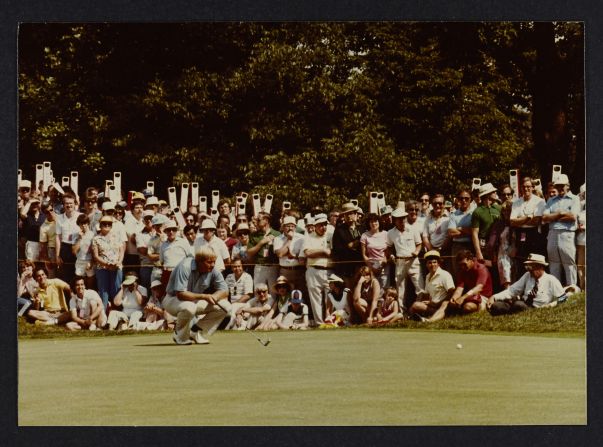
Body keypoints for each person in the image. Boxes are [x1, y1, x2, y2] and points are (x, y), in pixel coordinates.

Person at [163, 246, 230, 345]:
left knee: (226, 307)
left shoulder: (213, 269)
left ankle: (195, 331)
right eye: (209, 262)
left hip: (194, 302)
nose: (212, 265)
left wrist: (215, 297)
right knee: (190, 307)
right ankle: (179, 335)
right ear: (199, 261)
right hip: (172, 300)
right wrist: (204, 296)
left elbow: (224, 290)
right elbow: (180, 294)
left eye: (214, 262)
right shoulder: (185, 266)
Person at [488, 254, 568, 315]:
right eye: (528, 267)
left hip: (536, 309)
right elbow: (512, 290)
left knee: (518, 305)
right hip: (523, 304)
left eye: (531, 268)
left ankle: (514, 313)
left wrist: (549, 306)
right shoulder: (527, 276)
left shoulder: (551, 280)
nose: (529, 270)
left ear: (540, 267)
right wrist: (494, 297)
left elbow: (563, 298)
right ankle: (513, 312)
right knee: (496, 306)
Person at [429, 249, 492, 321]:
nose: (462, 267)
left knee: (468, 307)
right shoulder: (463, 271)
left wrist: (463, 298)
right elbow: (459, 289)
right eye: (460, 265)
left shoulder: (481, 268)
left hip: (483, 298)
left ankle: (456, 313)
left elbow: (479, 288)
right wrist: (454, 299)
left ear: (470, 260)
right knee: (445, 303)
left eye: (464, 264)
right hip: (469, 297)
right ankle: (429, 320)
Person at [542, 174, 581, 286]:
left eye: (562, 185)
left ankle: (571, 291)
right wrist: (560, 213)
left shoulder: (575, 199)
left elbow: (572, 217)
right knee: (554, 264)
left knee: (569, 264)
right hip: (552, 234)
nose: (560, 188)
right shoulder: (551, 199)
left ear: (567, 185)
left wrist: (553, 217)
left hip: (567, 234)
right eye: (558, 186)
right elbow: (544, 218)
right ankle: (557, 292)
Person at [385, 206, 423, 313]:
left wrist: (416, 252)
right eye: (399, 218)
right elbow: (388, 247)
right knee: (400, 290)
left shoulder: (413, 229)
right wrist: (391, 255)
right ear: (394, 220)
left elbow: (419, 244)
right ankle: (402, 313)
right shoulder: (390, 233)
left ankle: (418, 310)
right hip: (400, 262)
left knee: (420, 288)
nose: (402, 220)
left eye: (403, 218)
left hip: (413, 261)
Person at [510, 177, 547, 275]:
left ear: (533, 187)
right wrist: (528, 218)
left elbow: (536, 221)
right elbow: (512, 221)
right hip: (520, 234)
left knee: (534, 261)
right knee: (521, 262)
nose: (526, 189)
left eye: (528, 187)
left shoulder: (540, 201)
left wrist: (520, 220)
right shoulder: (516, 202)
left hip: (534, 234)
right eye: (524, 187)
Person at [302, 213, 332, 325]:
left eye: (325, 224)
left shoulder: (331, 235)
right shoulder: (309, 237)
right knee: (316, 299)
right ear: (315, 226)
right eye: (320, 225)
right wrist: (323, 251)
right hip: (313, 270)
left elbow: (333, 253)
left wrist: (316, 252)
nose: (323, 227)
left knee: (330, 298)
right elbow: (307, 252)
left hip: (329, 270)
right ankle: (319, 324)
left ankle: (330, 321)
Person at [409, 250, 455, 320]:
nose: (432, 265)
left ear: (438, 263)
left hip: (443, 306)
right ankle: (409, 319)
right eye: (429, 263)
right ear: (426, 265)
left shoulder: (445, 275)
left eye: (434, 262)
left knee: (444, 304)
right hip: (433, 306)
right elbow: (427, 294)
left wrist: (437, 303)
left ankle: (433, 318)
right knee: (416, 304)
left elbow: (451, 292)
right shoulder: (428, 276)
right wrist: (425, 301)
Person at [91, 215, 124, 309]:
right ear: (100, 225)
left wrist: (119, 262)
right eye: (104, 223)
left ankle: (117, 313)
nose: (106, 225)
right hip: (102, 268)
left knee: (116, 290)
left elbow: (121, 251)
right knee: (103, 291)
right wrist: (106, 264)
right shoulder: (96, 239)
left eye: (109, 223)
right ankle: (103, 313)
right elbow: (96, 256)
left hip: (116, 267)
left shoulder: (117, 237)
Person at [471, 183, 501, 276]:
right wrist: (478, 252)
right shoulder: (477, 211)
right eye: (493, 192)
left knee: (497, 269)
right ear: (487, 194)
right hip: (483, 245)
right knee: (485, 270)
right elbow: (474, 233)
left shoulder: (497, 208)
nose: (495, 193)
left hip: (497, 244)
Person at [247, 211, 281, 291]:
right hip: (260, 266)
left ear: (266, 220)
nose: (255, 222)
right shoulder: (254, 235)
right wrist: (261, 243)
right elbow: (249, 252)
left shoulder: (277, 234)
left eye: (258, 220)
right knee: (258, 291)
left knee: (274, 292)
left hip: (273, 267)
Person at [332, 202, 363, 288]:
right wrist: (352, 244)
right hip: (346, 267)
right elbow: (337, 249)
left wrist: (353, 244)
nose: (348, 216)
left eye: (350, 213)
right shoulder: (339, 230)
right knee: (348, 291)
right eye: (346, 214)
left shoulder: (362, 228)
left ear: (356, 214)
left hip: (361, 265)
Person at [273, 215, 306, 293]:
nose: (290, 228)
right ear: (283, 227)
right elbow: (280, 254)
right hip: (285, 271)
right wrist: (289, 239)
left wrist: (293, 255)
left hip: (299, 270)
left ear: (295, 227)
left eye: (292, 226)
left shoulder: (301, 238)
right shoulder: (278, 239)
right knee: (285, 294)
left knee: (300, 294)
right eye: (288, 226)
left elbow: (303, 256)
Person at [55, 192, 81, 284]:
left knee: (78, 275)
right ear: (63, 205)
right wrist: (57, 255)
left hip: (78, 247)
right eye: (66, 203)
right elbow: (58, 237)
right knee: (65, 275)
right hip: (65, 248)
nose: (69, 205)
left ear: (75, 204)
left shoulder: (80, 216)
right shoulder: (59, 218)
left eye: (71, 203)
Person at [447, 189, 474, 278]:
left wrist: (460, 229)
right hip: (457, 246)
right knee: (458, 272)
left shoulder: (474, 213)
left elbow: (475, 231)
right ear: (458, 199)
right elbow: (451, 232)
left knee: (471, 271)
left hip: (471, 245)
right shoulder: (453, 215)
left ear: (471, 199)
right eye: (461, 198)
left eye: (466, 198)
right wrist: (468, 231)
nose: (464, 200)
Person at [360, 213, 390, 290]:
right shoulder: (364, 235)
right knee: (372, 289)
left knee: (384, 289)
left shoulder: (386, 234)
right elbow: (364, 254)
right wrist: (372, 268)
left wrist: (383, 263)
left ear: (379, 222)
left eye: (375, 221)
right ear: (368, 223)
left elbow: (388, 251)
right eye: (371, 222)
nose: (374, 223)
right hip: (371, 266)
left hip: (384, 266)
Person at [159, 221, 192, 287]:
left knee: (182, 294)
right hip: (167, 273)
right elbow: (162, 261)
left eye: (173, 229)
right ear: (165, 232)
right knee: (167, 295)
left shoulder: (183, 242)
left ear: (176, 231)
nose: (171, 232)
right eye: (168, 230)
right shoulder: (163, 245)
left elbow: (190, 257)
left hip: (181, 273)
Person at [72, 214, 96, 290]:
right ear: (78, 224)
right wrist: (80, 238)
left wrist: (92, 262)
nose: (83, 225)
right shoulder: (75, 235)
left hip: (89, 261)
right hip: (79, 261)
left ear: (88, 223)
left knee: (90, 285)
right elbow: (74, 251)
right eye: (81, 223)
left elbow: (94, 251)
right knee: (79, 283)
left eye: (85, 223)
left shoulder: (93, 235)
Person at [21, 197, 45, 261]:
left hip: (43, 244)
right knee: (31, 263)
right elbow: (22, 214)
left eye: (36, 203)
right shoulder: (28, 215)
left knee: (42, 264)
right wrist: (29, 202)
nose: (34, 205)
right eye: (33, 204)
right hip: (32, 243)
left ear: (39, 204)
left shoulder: (44, 215)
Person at [38, 200, 57, 278]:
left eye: (51, 210)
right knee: (52, 274)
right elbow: (43, 245)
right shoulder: (43, 227)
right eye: (47, 212)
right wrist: (47, 260)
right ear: (44, 213)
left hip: (64, 248)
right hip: (52, 250)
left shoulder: (62, 218)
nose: (50, 213)